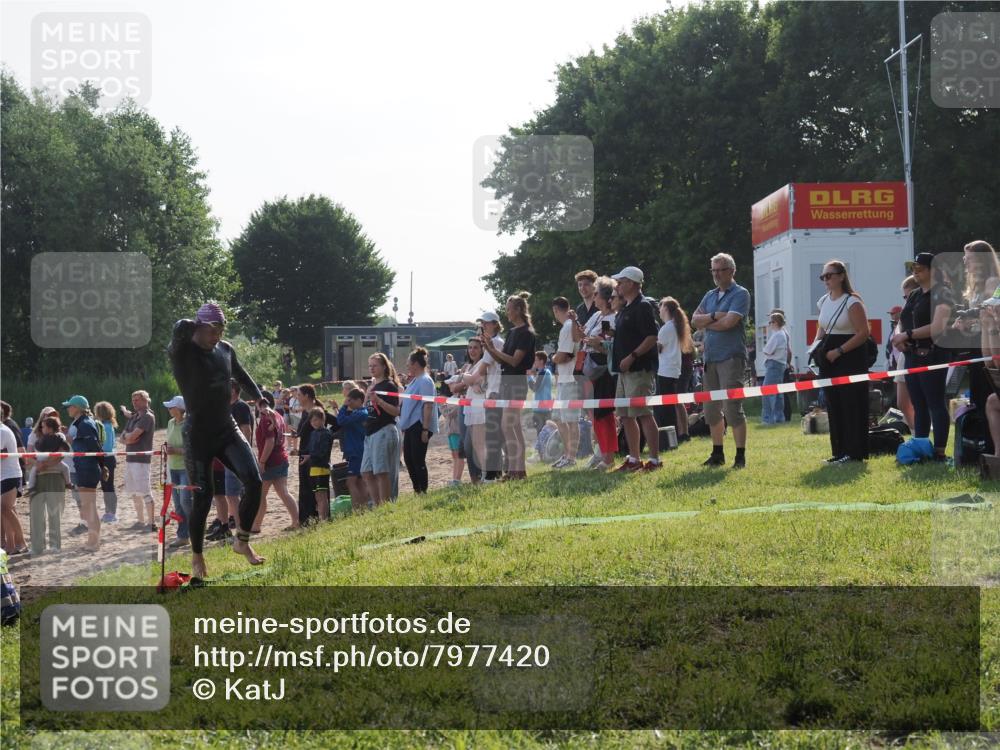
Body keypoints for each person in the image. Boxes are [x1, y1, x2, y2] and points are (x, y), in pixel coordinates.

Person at [169, 301, 266, 583]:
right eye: (213, 331)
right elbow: (178, 332)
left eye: (222, 330)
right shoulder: (183, 352)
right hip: (198, 435)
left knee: (254, 480)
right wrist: (191, 323)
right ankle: (197, 554)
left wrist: (258, 396)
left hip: (226, 428)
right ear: (198, 329)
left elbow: (239, 372)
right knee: (204, 497)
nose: (218, 337)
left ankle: (242, 540)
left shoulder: (225, 350)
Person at [892, 253, 956, 462]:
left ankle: (939, 451)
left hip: (933, 354)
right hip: (912, 355)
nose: (915, 272)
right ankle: (921, 446)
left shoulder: (943, 294)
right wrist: (899, 338)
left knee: (935, 403)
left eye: (919, 268)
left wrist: (908, 335)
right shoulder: (914, 295)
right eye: (913, 268)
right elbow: (902, 320)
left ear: (932, 270)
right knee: (918, 404)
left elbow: (937, 327)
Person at [690, 253, 751, 469]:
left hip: (731, 358)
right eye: (713, 270)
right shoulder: (710, 295)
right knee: (711, 410)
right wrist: (716, 316)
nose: (716, 274)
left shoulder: (741, 293)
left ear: (731, 271)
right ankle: (717, 454)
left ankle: (740, 456)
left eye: (721, 270)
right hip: (711, 359)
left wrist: (708, 321)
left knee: (732, 408)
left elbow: (730, 323)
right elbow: (694, 320)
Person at [811, 260, 872, 463]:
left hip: (850, 358)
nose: (826, 280)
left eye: (830, 275)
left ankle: (854, 452)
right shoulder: (823, 301)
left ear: (841, 276)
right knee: (833, 404)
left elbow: (864, 333)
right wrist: (815, 346)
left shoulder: (852, 302)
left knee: (851, 404)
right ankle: (838, 451)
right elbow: (822, 328)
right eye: (823, 276)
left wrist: (839, 351)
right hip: (829, 358)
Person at [610, 266, 662, 472]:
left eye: (621, 281)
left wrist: (632, 357)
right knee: (625, 415)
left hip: (639, 370)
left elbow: (651, 337)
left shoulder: (643, 306)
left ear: (632, 283)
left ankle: (655, 460)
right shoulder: (626, 308)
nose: (618, 285)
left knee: (644, 414)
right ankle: (634, 458)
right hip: (624, 372)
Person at [581, 276, 619, 470]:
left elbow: (607, 346)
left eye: (596, 293)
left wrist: (597, 343)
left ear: (604, 297)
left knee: (604, 414)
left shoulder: (613, 318)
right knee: (595, 415)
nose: (592, 297)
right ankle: (602, 453)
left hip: (603, 369)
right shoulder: (596, 316)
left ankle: (608, 457)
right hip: (591, 368)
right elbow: (583, 336)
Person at [63, 395, 107, 552]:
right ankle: (92, 540)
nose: (68, 408)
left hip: (88, 468)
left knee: (90, 506)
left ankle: (94, 542)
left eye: (70, 406)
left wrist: (103, 466)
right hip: (84, 467)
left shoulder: (85, 423)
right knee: (88, 506)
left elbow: (95, 447)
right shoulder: (81, 422)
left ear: (77, 408)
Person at [293, 384, 338, 525]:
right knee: (306, 488)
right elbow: (302, 432)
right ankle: (307, 520)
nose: (297, 397)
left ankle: (320, 519)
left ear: (307, 396)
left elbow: (337, 423)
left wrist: (326, 436)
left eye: (299, 395)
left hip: (315, 456)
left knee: (318, 491)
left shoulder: (317, 412)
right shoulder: (306, 412)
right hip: (304, 453)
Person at [253, 391, 298, 531]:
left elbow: (270, 441)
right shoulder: (277, 415)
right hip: (281, 458)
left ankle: (256, 525)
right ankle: (296, 520)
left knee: (260, 495)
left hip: (271, 461)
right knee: (283, 492)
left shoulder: (267, 417)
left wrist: (262, 462)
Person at [26, 416, 70, 556]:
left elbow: (61, 454)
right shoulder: (35, 436)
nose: (43, 428)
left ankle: (55, 545)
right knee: (36, 514)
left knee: (54, 512)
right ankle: (37, 546)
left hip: (55, 476)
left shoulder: (59, 437)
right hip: (39, 477)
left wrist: (45, 464)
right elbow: (28, 456)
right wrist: (37, 464)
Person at [362, 353, 402, 506]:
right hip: (370, 432)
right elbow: (367, 409)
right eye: (370, 365)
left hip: (383, 430)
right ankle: (377, 503)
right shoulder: (373, 386)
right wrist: (367, 397)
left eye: (375, 365)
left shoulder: (389, 386)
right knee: (366, 471)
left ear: (384, 366)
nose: (371, 368)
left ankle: (384, 506)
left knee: (381, 471)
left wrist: (378, 400)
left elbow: (396, 411)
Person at [399, 347, 439, 493]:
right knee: (409, 459)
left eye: (408, 363)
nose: (407, 366)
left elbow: (428, 405)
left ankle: (422, 490)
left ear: (415, 364)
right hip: (410, 425)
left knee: (417, 459)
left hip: (419, 425)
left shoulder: (425, 381)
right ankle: (417, 489)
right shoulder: (415, 380)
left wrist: (425, 429)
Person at [550, 296, 581, 469]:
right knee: (558, 418)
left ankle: (571, 457)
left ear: (556, 310)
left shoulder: (568, 326)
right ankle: (567, 454)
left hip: (570, 379)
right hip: (564, 380)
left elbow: (563, 355)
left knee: (571, 421)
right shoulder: (568, 326)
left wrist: (553, 358)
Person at [120, 390, 156, 530]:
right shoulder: (134, 417)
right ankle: (140, 521)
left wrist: (128, 438)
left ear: (146, 400)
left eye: (138, 399)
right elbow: (124, 438)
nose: (135, 402)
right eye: (133, 400)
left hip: (141, 460)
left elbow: (131, 437)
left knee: (145, 492)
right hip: (130, 458)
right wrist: (128, 438)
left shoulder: (147, 416)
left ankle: (151, 523)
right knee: (134, 492)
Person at [655, 297, 690, 437]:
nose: (659, 309)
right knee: (676, 403)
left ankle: (670, 434)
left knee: (666, 407)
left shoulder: (667, 328)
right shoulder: (676, 326)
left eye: (661, 306)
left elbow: (657, 349)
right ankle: (682, 432)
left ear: (666, 309)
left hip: (665, 370)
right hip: (674, 369)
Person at [477, 312, 506, 479]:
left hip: (495, 393)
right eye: (483, 323)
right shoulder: (496, 341)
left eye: (486, 323)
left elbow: (481, 369)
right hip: (494, 391)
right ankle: (497, 472)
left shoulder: (494, 342)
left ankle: (491, 475)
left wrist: (463, 379)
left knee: (492, 436)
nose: (483, 326)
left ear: (495, 324)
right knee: (496, 435)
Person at [457, 336, 488, 483]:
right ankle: (484, 475)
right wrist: (468, 381)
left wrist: (464, 377)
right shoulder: (470, 366)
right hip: (471, 407)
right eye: (470, 347)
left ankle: (488, 475)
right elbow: (458, 385)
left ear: (482, 349)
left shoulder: (483, 363)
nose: (472, 350)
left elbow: (477, 385)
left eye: (475, 347)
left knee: (479, 444)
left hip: (480, 407)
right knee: (473, 445)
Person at [163, 396, 192, 549]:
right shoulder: (170, 423)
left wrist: (176, 450)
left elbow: (193, 449)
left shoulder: (189, 424)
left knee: (186, 502)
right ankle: (182, 536)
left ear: (180, 408)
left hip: (186, 468)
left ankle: (194, 531)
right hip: (172, 467)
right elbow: (169, 442)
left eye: (171, 407)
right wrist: (167, 449)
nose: (169, 409)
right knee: (178, 505)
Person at [337, 389, 370, 509]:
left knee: (350, 482)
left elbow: (341, 421)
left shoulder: (361, 413)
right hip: (356, 450)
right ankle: (364, 507)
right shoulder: (359, 413)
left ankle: (357, 509)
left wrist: (344, 406)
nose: (349, 403)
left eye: (351, 400)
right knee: (360, 481)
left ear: (359, 400)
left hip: (357, 451)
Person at [304, 406, 335, 520]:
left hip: (322, 467)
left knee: (322, 495)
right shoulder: (313, 433)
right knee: (317, 495)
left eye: (316, 420)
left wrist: (310, 456)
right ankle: (323, 518)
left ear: (323, 419)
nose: (314, 423)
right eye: (312, 421)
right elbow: (310, 450)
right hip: (313, 467)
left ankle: (325, 519)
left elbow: (323, 452)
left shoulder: (326, 433)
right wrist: (300, 453)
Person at [761, 311, 790, 425]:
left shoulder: (777, 335)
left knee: (767, 391)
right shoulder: (783, 333)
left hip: (774, 364)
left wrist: (766, 351)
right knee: (778, 393)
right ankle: (779, 418)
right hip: (780, 364)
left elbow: (767, 350)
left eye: (771, 322)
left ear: (776, 322)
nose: (769, 324)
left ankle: (767, 419)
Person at [0, 421, 25, 555]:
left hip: (10, 474)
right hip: (4, 475)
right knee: (5, 510)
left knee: (6, 508)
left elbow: (2, 454)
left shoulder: (2, 431)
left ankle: (20, 542)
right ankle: (9, 543)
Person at [93, 401, 119, 523]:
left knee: (108, 487)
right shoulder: (107, 425)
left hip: (107, 459)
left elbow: (107, 447)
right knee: (105, 486)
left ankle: (111, 513)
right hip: (107, 458)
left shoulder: (106, 427)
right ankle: (109, 512)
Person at [439, 383, 463, 486]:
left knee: (458, 455)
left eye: (451, 383)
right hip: (450, 430)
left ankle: (457, 479)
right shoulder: (452, 398)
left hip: (457, 431)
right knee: (454, 455)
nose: (449, 386)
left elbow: (450, 413)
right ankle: (454, 479)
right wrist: (443, 405)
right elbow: (445, 414)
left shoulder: (460, 398)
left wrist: (443, 405)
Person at [526, 352, 553, 436]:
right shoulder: (544, 372)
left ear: (541, 361)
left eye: (536, 360)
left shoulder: (544, 372)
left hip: (542, 409)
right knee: (543, 434)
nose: (534, 362)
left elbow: (535, 388)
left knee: (542, 434)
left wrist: (529, 376)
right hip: (542, 408)